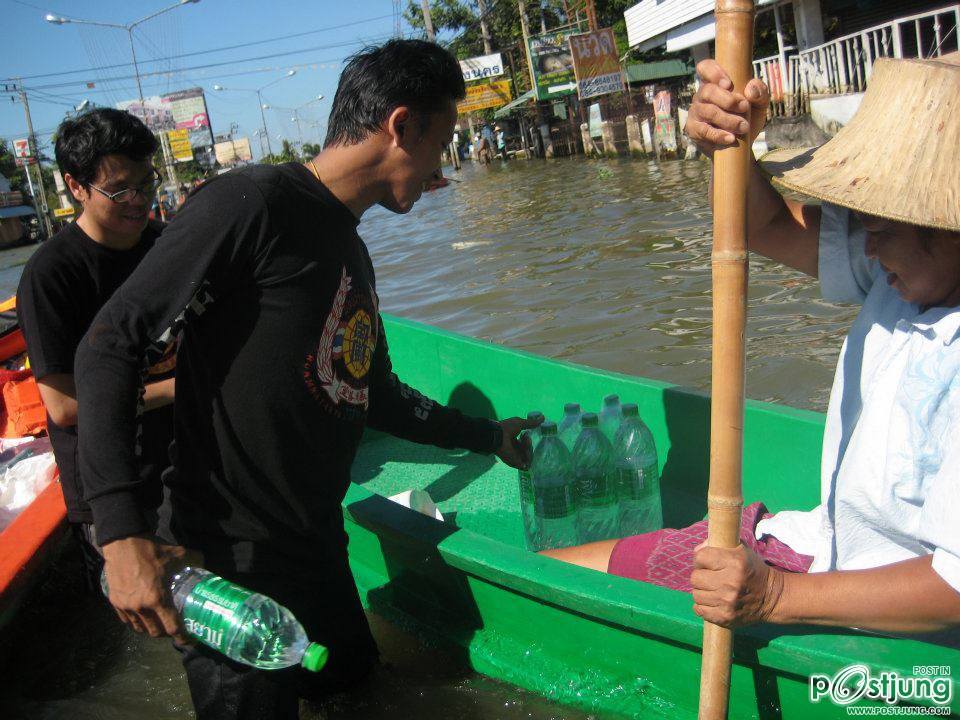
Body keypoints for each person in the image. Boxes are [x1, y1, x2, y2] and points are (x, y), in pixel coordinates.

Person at [74, 40, 536, 719]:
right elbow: (110, 345)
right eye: (442, 141)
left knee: (360, 693)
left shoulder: (349, 251)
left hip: (315, 550)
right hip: (230, 558)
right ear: (400, 125)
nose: (442, 166)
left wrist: (487, 434)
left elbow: (375, 394)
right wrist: (120, 535)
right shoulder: (248, 204)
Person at [542, 53, 960, 636]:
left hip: (857, 607)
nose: (867, 249)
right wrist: (732, 143)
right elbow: (761, 227)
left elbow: (954, 587)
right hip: (816, 544)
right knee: (558, 570)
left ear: (945, 225)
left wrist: (776, 596)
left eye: (884, 230)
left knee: (565, 586)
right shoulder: (908, 273)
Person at [16, 108, 176, 591]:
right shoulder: (51, 276)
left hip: (179, 459)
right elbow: (64, 408)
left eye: (147, 183)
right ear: (76, 186)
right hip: (111, 485)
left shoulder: (166, 247)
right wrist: (180, 387)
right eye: (119, 190)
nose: (138, 201)